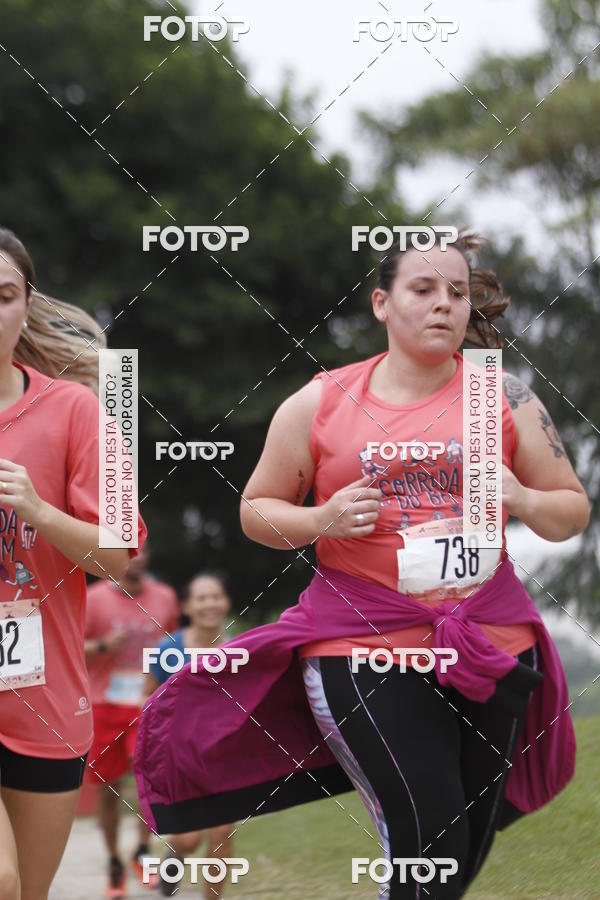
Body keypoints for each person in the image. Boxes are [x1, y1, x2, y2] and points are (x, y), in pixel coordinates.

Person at [133, 229, 588, 900]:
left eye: (457, 293)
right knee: (428, 839)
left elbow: (571, 511)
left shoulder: (507, 397)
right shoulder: (320, 402)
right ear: (382, 303)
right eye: (424, 290)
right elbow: (256, 510)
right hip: (364, 644)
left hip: (492, 642)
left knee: (460, 852)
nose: (444, 305)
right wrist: (321, 520)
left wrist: (522, 495)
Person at [0, 226, 147, 900]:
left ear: (26, 305)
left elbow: (118, 558)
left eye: (4, 295)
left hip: (44, 699)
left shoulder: (78, 411)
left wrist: (39, 509)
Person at [84, 543, 178, 898]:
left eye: (140, 551)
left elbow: (173, 643)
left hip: (147, 702)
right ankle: (113, 862)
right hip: (103, 702)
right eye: (126, 551)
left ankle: (141, 850)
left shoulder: (165, 597)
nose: (134, 557)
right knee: (108, 788)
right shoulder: (92, 599)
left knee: (148, 779)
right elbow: (70, 643)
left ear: (148, 557)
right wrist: (103, 646)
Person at [143, 572, 236, 898]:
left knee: (223, 831)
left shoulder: (239, 651)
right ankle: (175, 854)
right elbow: (147, 700)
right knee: (188, 839)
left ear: (225, 602)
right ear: (187, 606)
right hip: (176, 757)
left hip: (222, 757)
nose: (209, 603)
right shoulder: (167, 650)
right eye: (201, 597)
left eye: (215, 596)